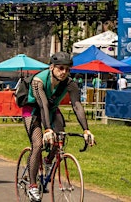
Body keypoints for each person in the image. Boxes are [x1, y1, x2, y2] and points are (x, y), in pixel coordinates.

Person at [22, 52, 95, 201]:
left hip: (52, 109)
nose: (64, 72)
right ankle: (33, 186)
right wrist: (47, 129)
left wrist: (86, 130)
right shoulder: (39, 80)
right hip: (33, 110)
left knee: (60, 137)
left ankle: (48, 161)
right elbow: (42, 105)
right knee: (37, 144)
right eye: (60, 68)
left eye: (67, 69)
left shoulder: (70, 84)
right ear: (51, 67)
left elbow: (77, 106)